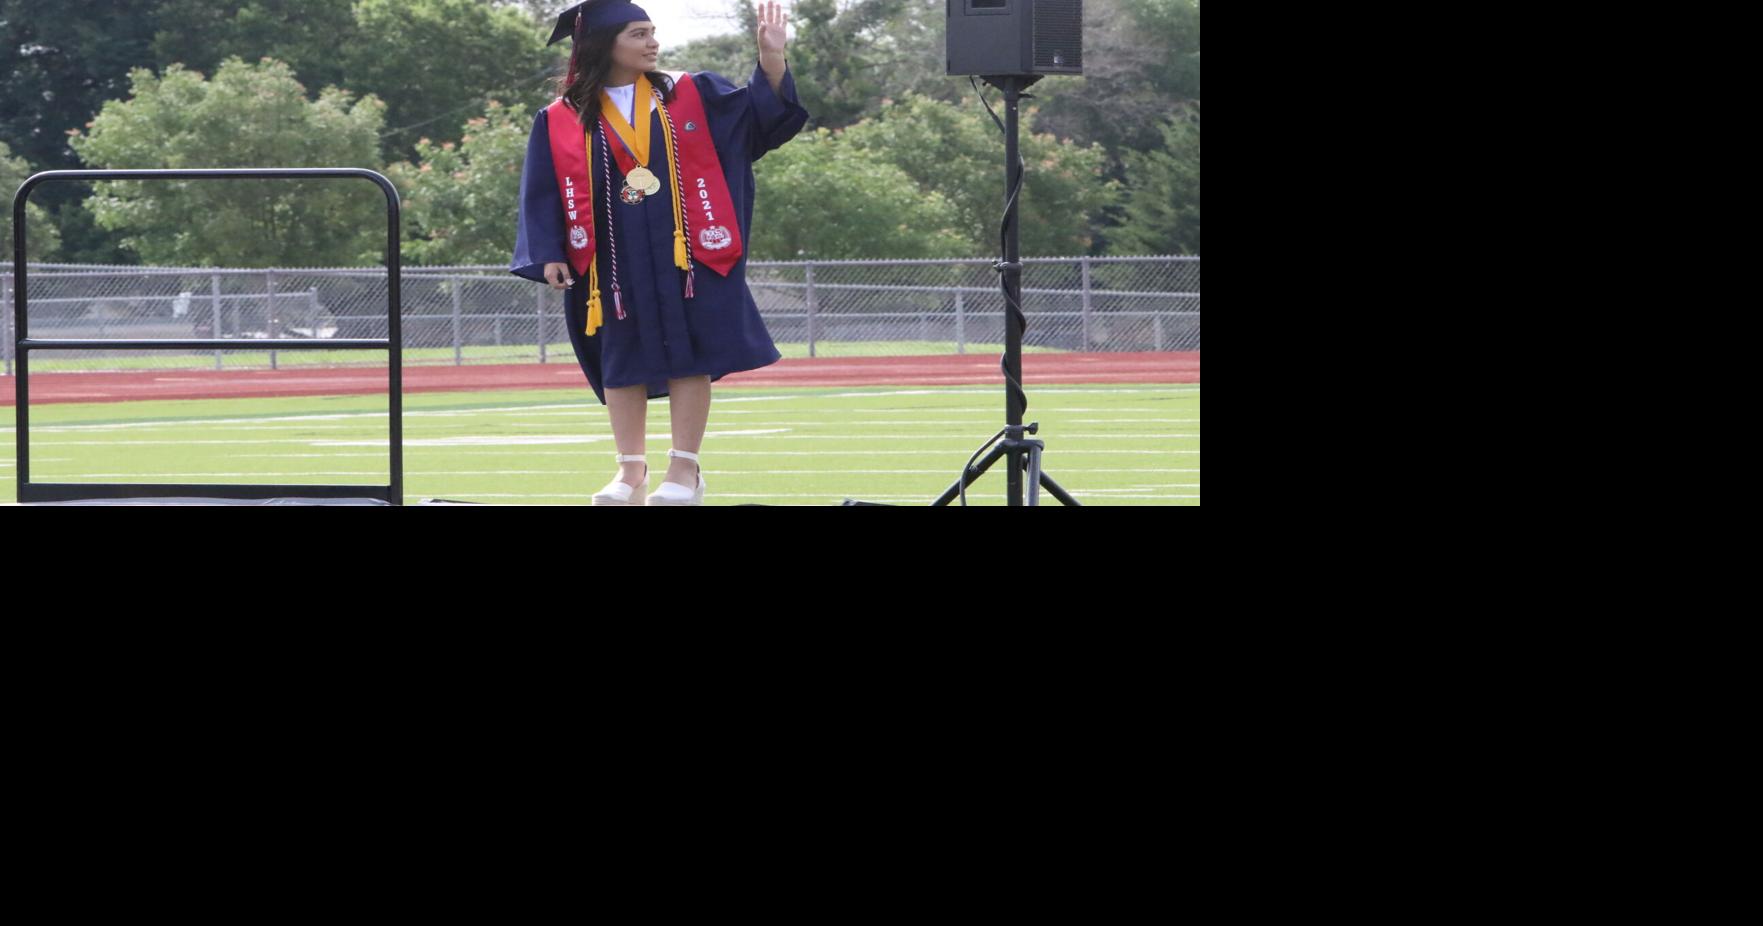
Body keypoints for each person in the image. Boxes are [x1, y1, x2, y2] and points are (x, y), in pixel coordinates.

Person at [510, 0, 809, 505]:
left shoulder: (692, 93)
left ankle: (684, 469)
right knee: (618, 356)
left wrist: (772, 60)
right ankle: (630, 472)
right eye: (638, 34)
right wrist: (547, 251)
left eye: (652, 32)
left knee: (688, 351)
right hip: (609, 262)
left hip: (686, 256)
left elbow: (761, 123)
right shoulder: (562, 118)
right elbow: (540, 188)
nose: (652, 42)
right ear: (605, 45)